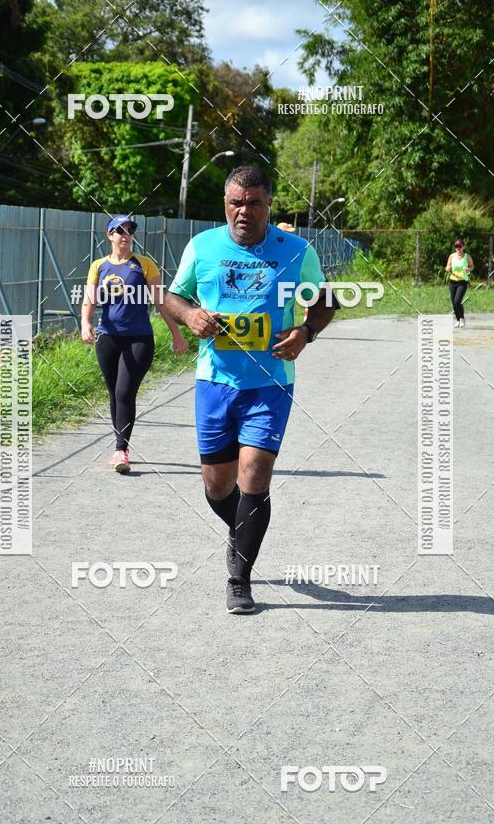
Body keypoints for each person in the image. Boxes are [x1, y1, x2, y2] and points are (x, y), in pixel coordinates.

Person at [165, 166, 340, 614]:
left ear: (268, 205)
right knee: (217, 486)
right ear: (225, 205)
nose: (244, 212)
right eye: (235, 204)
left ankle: (239, 579)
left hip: (270, 385)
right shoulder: (202, 247)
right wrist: (189, 317)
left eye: (254, 203)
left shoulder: (296, 251)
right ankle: (241, 531)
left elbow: (325, 301)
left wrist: (305, 332)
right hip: (215, 382)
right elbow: (171, 297)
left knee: (255, 475)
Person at [81, 215, 188, 473]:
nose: (124, 235)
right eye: (119, 230)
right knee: (114, 393)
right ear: (109, 235)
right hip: (107, 337)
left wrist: (176, 333)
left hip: (139, 338)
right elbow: (89, 298)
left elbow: (161, 301)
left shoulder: (144, 264)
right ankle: (120, 445)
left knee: (124, 392)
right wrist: (85, 323)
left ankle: (121, 450)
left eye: (129, 230)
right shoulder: (98, 266)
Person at [445, 238, 474, 328]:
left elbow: (472, 266)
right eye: (456, 246)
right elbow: (447, 267)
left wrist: (468, 269)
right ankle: (457, 320)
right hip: (452, 281)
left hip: (462, 282)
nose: (458, 248)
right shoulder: (452, 256)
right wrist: (448, 269)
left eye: (460, 246)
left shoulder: (467, 256)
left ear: (463, 247)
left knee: (457, 301)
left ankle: (462, 318)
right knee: (454, 302)